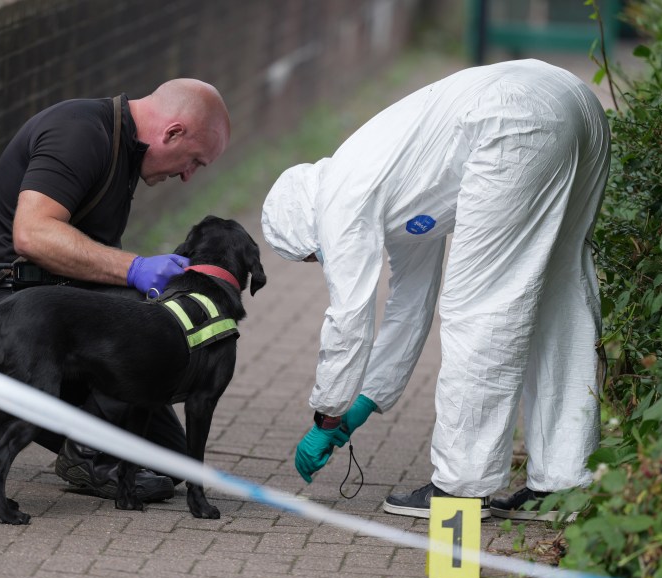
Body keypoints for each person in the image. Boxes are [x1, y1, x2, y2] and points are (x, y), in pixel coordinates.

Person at [261, 59, 610, 521]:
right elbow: (410, 306)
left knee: (478, 307)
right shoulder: (385, 181)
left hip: (512, 120)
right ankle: (563, 485)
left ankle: (461, 489)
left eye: (312, 256)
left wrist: (326, 411)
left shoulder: (337, 201)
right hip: (575, 100)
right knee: (559, 295)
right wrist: (362, 404)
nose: (320, 262)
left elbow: (350, 315)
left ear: (309, 231)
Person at [0, 78, 231, 503]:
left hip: (73, 319)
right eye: (194, 160)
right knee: (140, 317)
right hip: (19, 308)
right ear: (172, 133)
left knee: (170, 460)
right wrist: (134, 269)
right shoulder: (80, 132)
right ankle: (84, 453)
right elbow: (32, 234)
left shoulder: (125, 154)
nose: (188, 175)